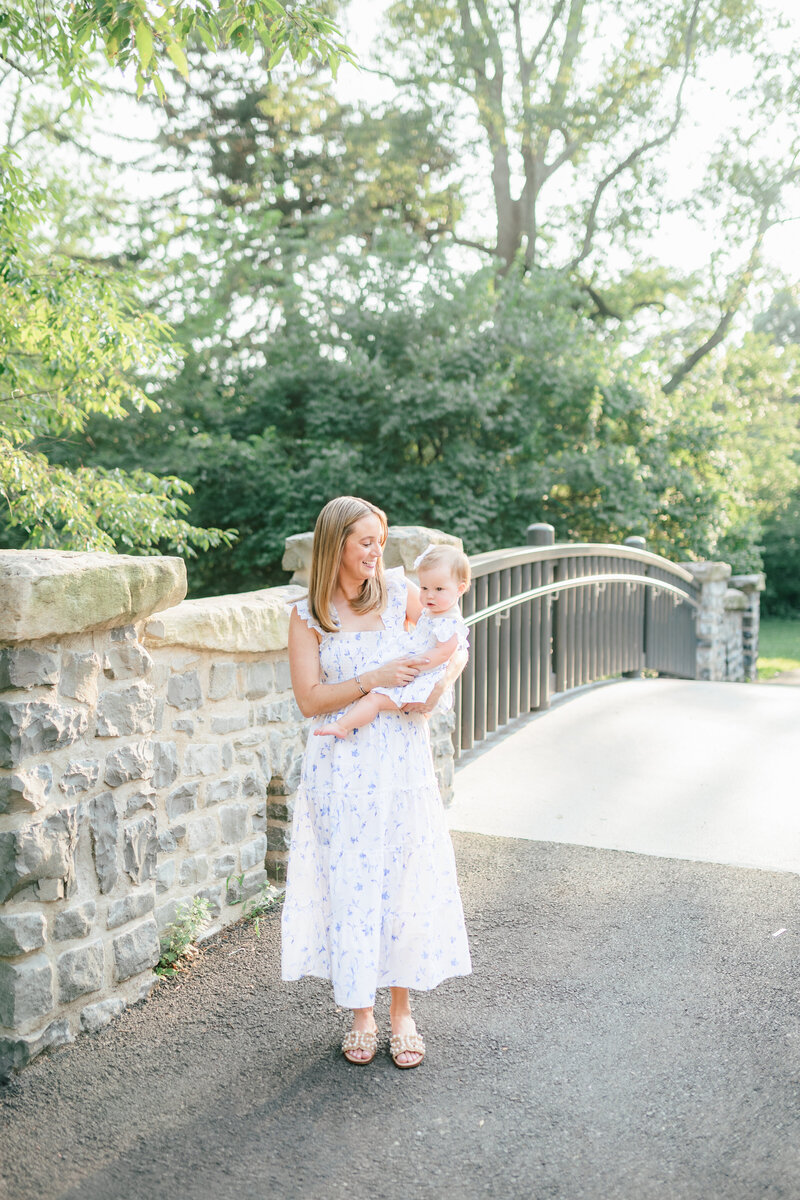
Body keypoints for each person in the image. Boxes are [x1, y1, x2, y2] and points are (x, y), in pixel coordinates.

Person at [281, 496, 472, 1069]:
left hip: (399, 761)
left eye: (380, 541)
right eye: (365, 542)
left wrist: (433, 692)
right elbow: (310, 699)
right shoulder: (306, 615)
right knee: (355, 883)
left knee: (402, 877)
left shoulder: (399, 594)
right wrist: (374, 679)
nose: (376, 552)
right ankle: (360, 1013)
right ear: (336, 544)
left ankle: (402, 1012)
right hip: (340, 769)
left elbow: (450, 641)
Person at [314, 544, 471, 739]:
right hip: (412, 672)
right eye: (424, 587)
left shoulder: (449, 622)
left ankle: (342, 726)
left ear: (460, 589)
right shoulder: (433, 612)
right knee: (375, 697)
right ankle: (343, 725)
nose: (429, 595)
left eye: (439, 589)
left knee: (375, 700)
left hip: (419, 676)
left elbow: (445, 653)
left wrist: (413, 664)